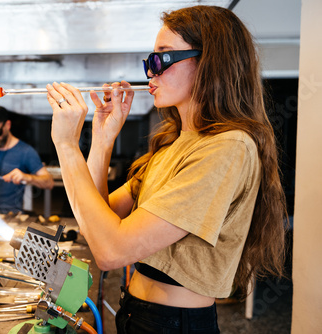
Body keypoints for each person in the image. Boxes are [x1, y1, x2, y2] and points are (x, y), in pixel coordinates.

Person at [46, 5, 287, 333]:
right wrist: (102, 140)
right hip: (137, 312)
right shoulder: (176, 144)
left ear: (210, 62)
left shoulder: (227, 147)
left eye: (161, 59)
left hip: (173, 324)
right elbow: (97, 223)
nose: (150, 73)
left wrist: (66, 147)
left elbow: (111, 251)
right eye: (149, 62)